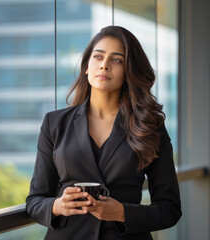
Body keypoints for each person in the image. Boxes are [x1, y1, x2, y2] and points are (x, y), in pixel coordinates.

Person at [26, 26, 182, 240]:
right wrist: (56, 205)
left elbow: (170, 208)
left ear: (129, 71)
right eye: (98, 56)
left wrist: (122, 213)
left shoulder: (150, 126)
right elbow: (34, 201)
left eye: (117, 60)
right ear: (87, 67)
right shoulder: (54, 123)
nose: (105, 65)